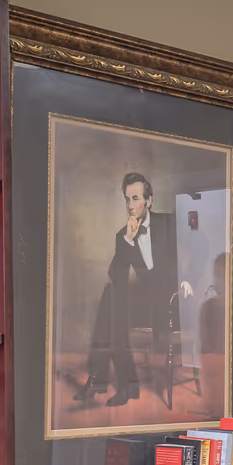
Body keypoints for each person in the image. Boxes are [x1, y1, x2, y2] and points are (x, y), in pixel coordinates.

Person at [75, 172, 191, 406]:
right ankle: (122, 385)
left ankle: (105, 380)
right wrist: (128, 240)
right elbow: (116, 277)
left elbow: (199, 245)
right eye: (127, 199)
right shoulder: (123, 235)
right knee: (112, 299)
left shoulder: (168, 223)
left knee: (111, 307)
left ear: (149, 201)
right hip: (147, 305)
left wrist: (189, 279)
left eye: (135, 198)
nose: (130, 205)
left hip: (173, 304)